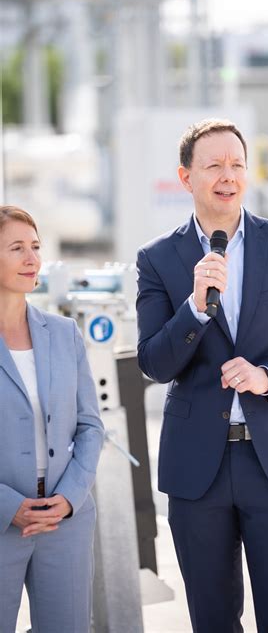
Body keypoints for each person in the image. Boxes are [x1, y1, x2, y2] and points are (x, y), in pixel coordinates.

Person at [136, 118, 268, 632]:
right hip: (196, 469)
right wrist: (194, 308)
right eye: (213, 166)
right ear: (186, 178)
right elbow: (154, 363)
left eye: (236, 165)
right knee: (212, 620)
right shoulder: (158, 259)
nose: (227, 176)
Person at [0, 205, 105, 633]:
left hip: (65, 521)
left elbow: (91, 426)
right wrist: (11, 507)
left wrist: (68, 499)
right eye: (17, 248)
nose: (32, 259)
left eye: (36, 247)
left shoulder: (64, 334)